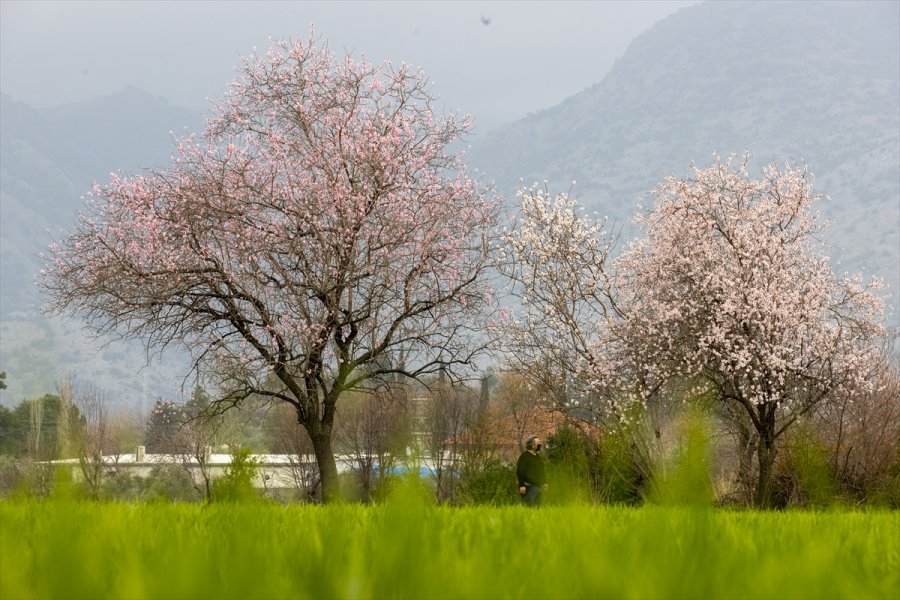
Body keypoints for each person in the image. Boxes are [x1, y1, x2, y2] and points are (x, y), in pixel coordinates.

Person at [516, 435, 548, 506]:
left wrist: (544, 482)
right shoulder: (524, 457)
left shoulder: (537, 457)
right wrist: (522, 485)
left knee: (538, 509)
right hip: (528, 487)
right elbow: (520, 471)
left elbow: (541, 470)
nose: (540, 445)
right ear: (533, 445)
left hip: (539, 487)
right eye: (538, 443)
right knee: (528, 508)